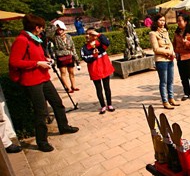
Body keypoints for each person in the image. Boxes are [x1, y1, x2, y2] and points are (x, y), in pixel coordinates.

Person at [9, 14, 79, 152]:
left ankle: (63, 126)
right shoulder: (22, 40)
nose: (42, 30)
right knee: (41, 112)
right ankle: (42, 141)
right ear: (36, 27)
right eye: (41, 27)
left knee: (57, 103)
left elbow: (38, 56)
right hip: (32, 80)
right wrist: (37, 63)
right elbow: (14, 61)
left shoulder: (35, 39)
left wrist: (46, 59)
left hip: (43, 78)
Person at [81, 27, 116, 114]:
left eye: (91, 34)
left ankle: (109, 104)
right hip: (95, 70)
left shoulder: (100, 44)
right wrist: (94, 56)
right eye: (87, 34)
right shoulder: (84, 48)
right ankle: (103, 106)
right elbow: (85, 58)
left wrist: (98, 34)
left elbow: (107, 43)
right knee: (99, 89)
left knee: (107, 87)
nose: (88, 36)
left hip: (104, 68)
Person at [149, 14, 179, 110]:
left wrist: (172, 52)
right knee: (163, 82)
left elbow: (170, 43)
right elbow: (156, 49)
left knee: (170, 81)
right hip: (161, 61)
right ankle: (165, 101)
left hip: (169, 59)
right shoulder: (153, 34)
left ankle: (171, 98)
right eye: (160, 20)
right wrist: (168, 52)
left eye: (163, 20)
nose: (162, 22)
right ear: (156, 21)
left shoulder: (166, 32)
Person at [173, 14, 190, 101]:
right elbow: (174, 44)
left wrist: (186, 43)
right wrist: (176, 51)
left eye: (180, 21)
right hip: (180, 58)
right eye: (178, 21)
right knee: (183, 77)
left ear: (185, 22)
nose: (178, 23)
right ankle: (186, 93)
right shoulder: (177, 32)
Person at [52, 20, 80, 93]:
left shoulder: (68, 37)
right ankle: (68, 88)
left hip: (69, 55)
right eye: (58, 29)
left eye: (61, 29)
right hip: (60, 56)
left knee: (71, 72)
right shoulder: (55, 38)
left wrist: (76, 58)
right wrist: (55, 27)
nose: (60, 31)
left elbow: (73, 47)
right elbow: (48, 34)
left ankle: (73, 86)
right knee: (63, 72)